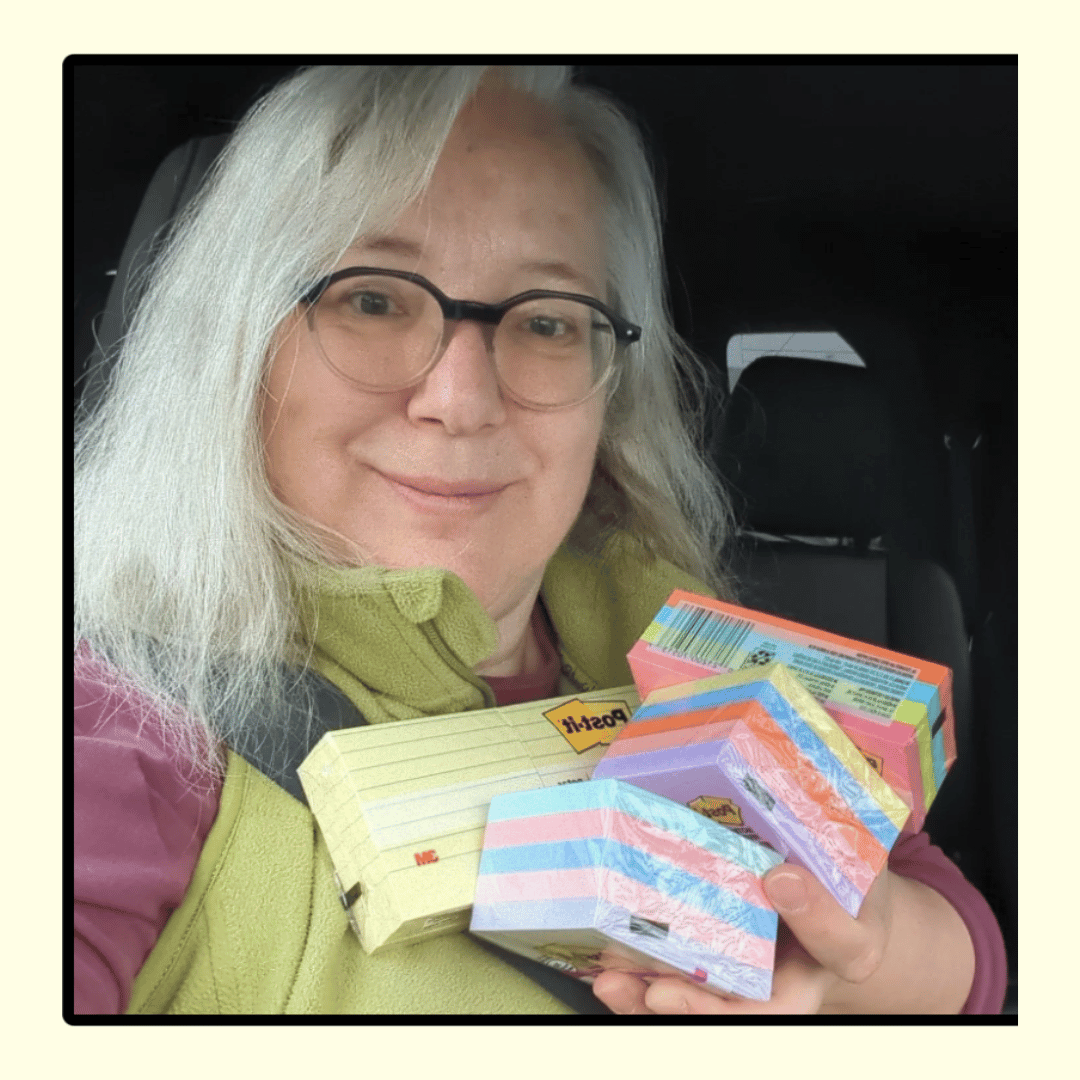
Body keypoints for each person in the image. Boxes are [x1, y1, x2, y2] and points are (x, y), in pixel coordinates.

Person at [73, 64, 1007, 1015]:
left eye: (548, 320)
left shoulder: (702, 654)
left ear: (610, 393)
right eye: (372, 299)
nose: (462, 400)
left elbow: (964, 950)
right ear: (233, 347)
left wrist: (857, 952)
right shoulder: (121, 724)